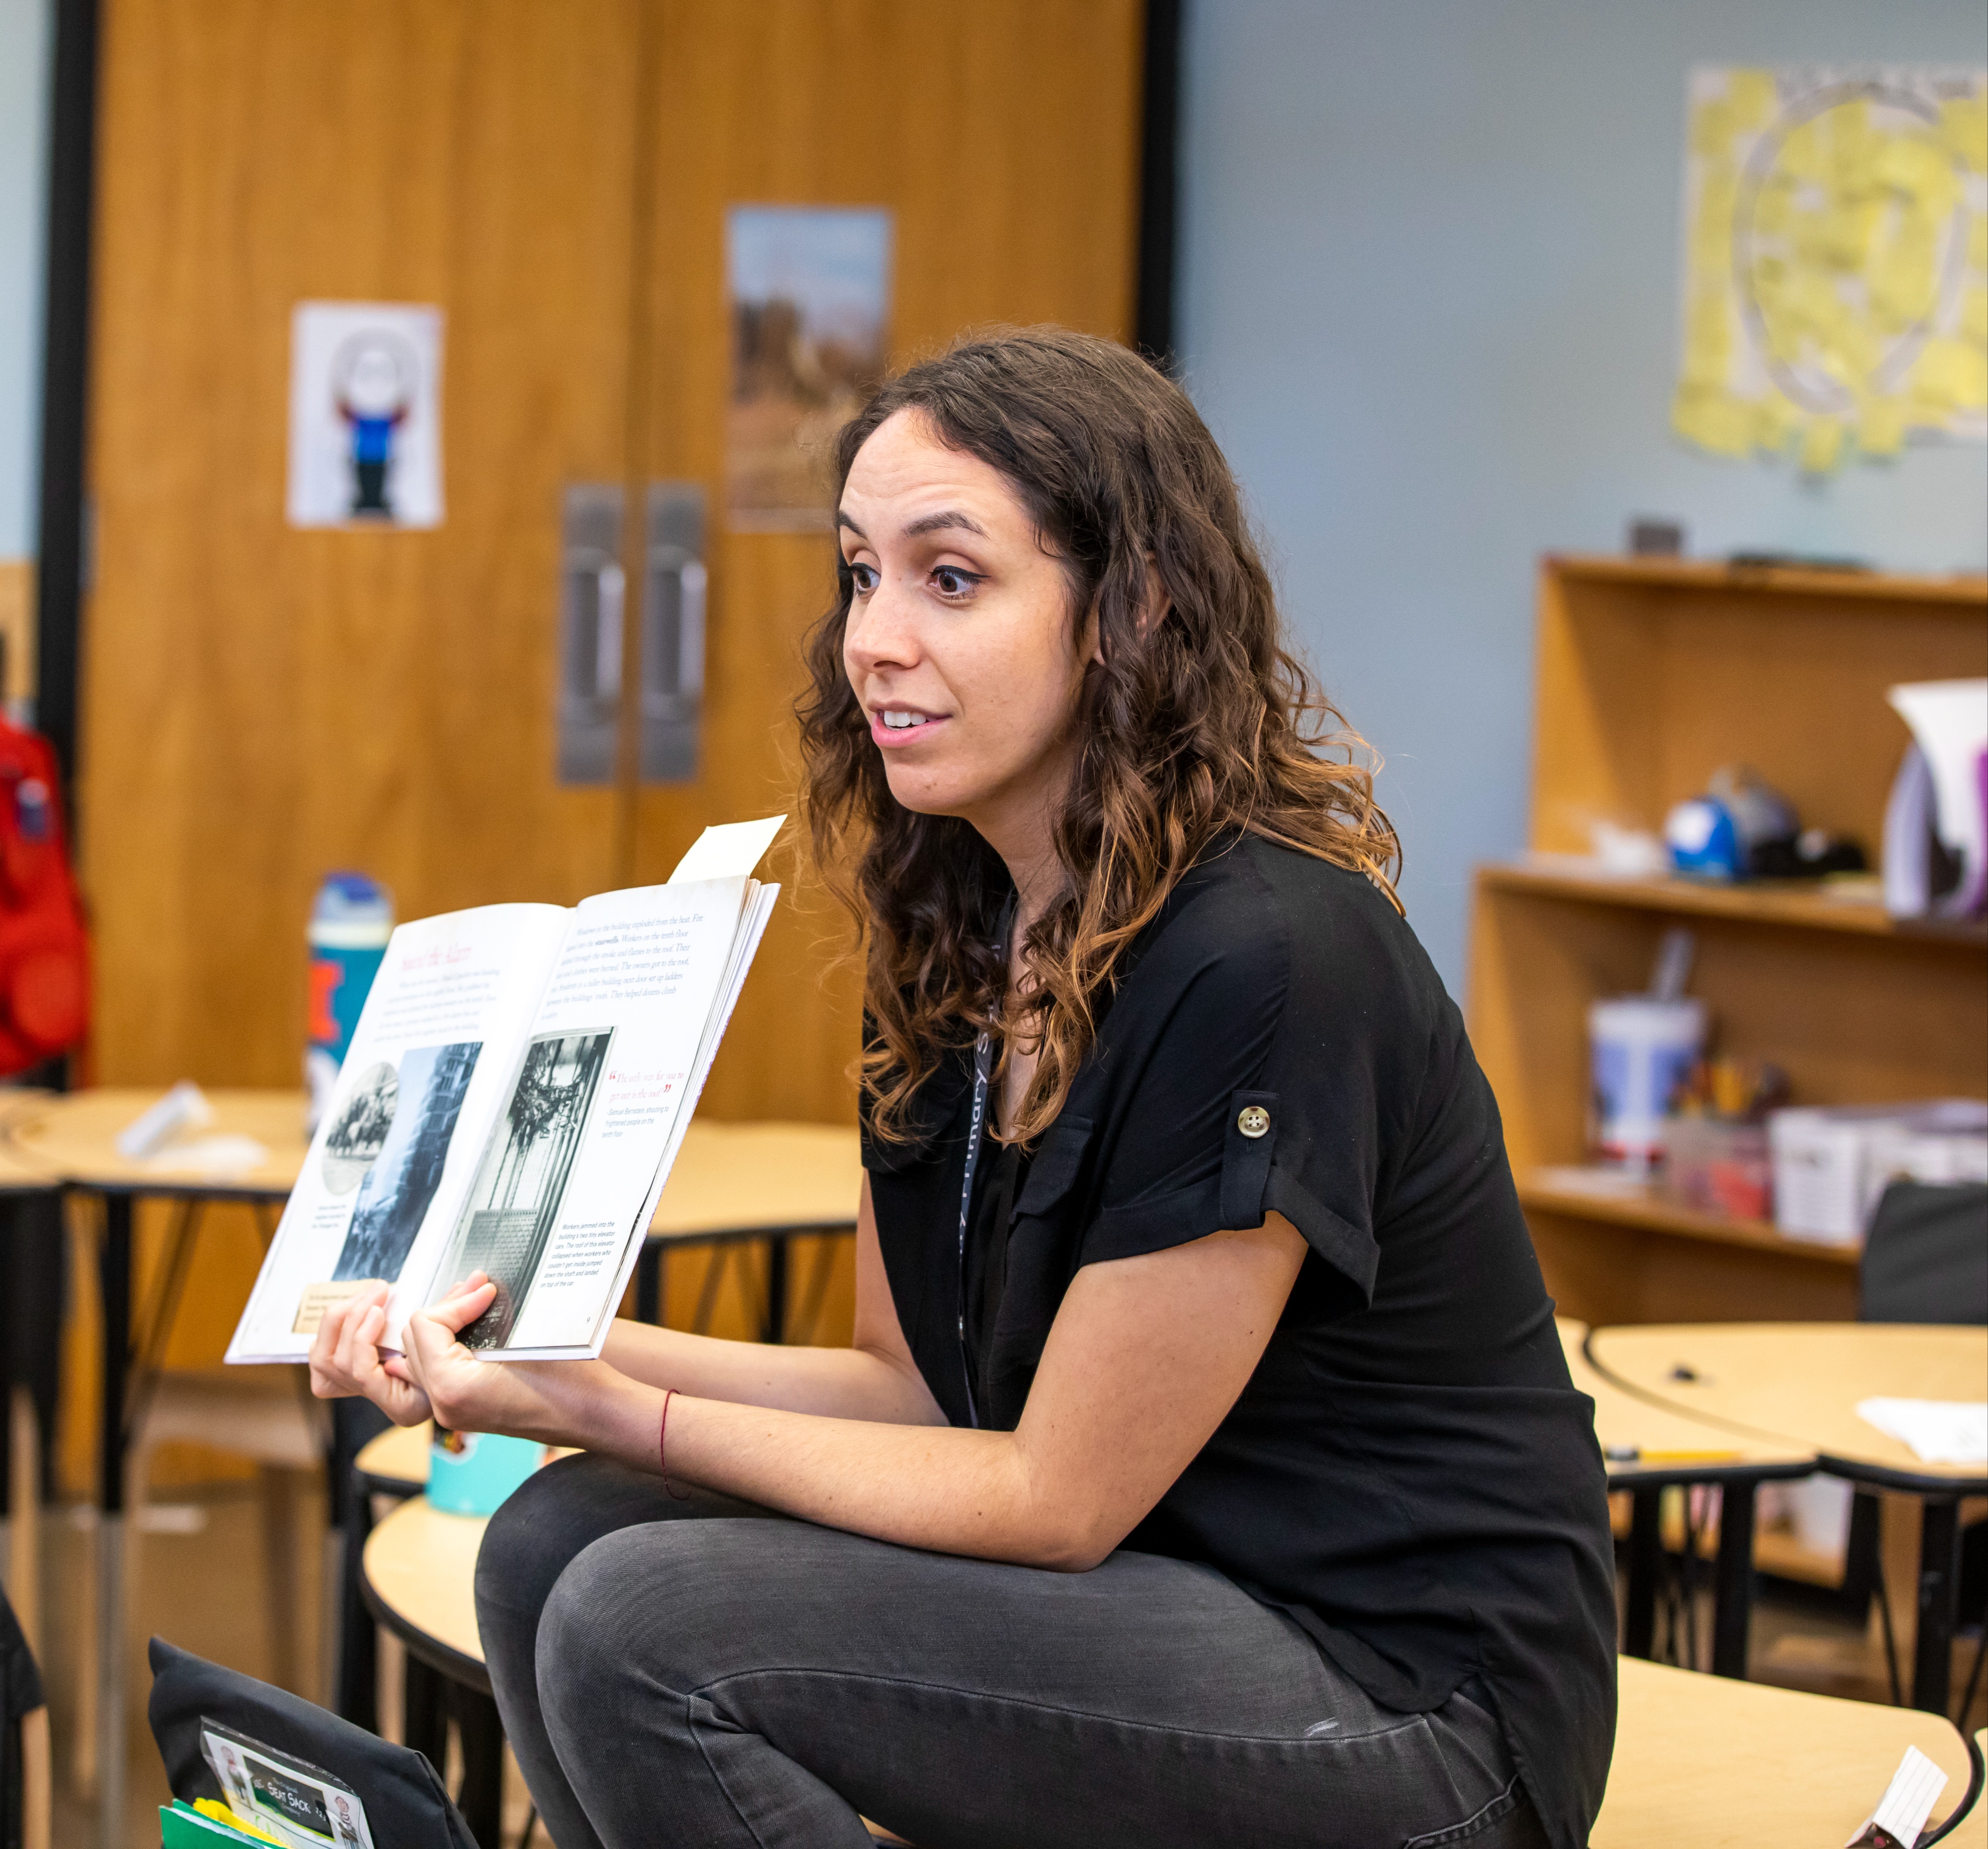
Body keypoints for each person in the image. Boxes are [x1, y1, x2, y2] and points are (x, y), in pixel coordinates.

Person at [309, 329, 1615, 1849]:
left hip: (1412, 1712)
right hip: (1163, 1597)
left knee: (640, 1619)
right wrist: (535, 1341)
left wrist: (604, 1403)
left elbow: (1054, 1497)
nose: (872, 637)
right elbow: (908, 1393)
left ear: (1133, 612)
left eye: (950, 578)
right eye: (861, 574)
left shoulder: (1268, 957)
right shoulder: (956, 926)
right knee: (549, 1547)